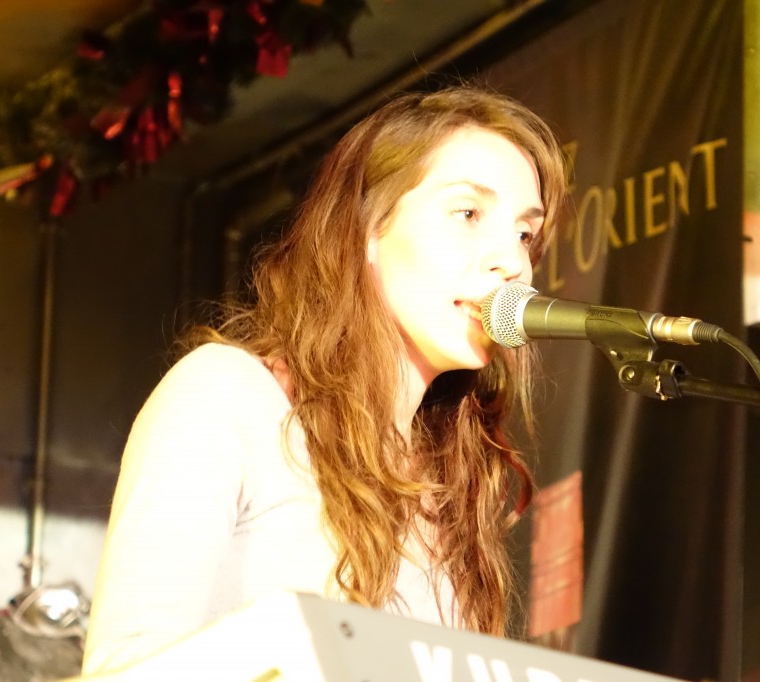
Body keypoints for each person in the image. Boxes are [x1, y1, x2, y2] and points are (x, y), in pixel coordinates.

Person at [81, 84, 570, 674]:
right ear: (367, 229)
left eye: (524, 234)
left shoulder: (447, 481)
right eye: (468, 214)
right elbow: (125, 668)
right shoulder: (228, 396)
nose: (513, 263)